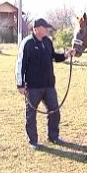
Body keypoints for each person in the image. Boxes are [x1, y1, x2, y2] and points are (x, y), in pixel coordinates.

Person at [15, 18, 76, 150]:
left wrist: (66, 55)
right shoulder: (27, 43)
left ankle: (53, 136)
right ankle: (33, 141)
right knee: (31, 114)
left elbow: (53, 57)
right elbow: (20, 64)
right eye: (45, 28)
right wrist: (20, 84)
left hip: (49, 85)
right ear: (36, 29)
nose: (48, 30)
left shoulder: (48, 42)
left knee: (55, 111)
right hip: (32, 87)